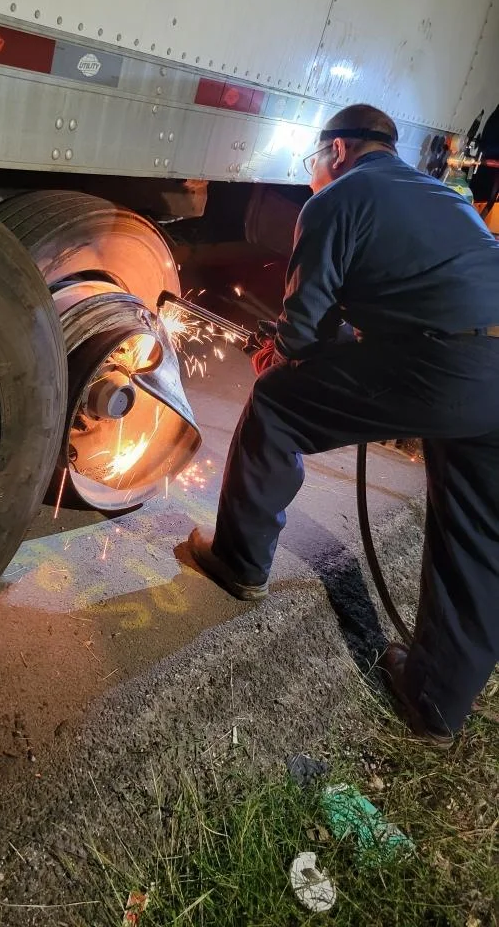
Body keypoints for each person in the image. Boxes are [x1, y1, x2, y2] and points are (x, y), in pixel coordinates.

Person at [188, 104, 499, 747]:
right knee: (477, 537)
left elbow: (302, 331)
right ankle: (436, 704)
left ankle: (238, 561)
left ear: (337, 151)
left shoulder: (338, 198)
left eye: (314, 159)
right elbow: (407, 294)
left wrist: (283, 354)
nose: (312, 172)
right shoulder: (439, 195)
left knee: (276, 404)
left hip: (448, 366)